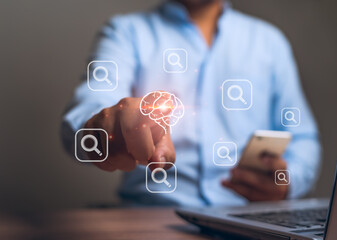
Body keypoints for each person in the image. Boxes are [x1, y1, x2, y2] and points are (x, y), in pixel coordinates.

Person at [61, 0, 321, 206]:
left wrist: (286, 182)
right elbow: (87, 109)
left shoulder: (270, 43)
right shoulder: (125, 33)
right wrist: (105, 129)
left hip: (250, 220)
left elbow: (304, 140)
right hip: (149, 220)